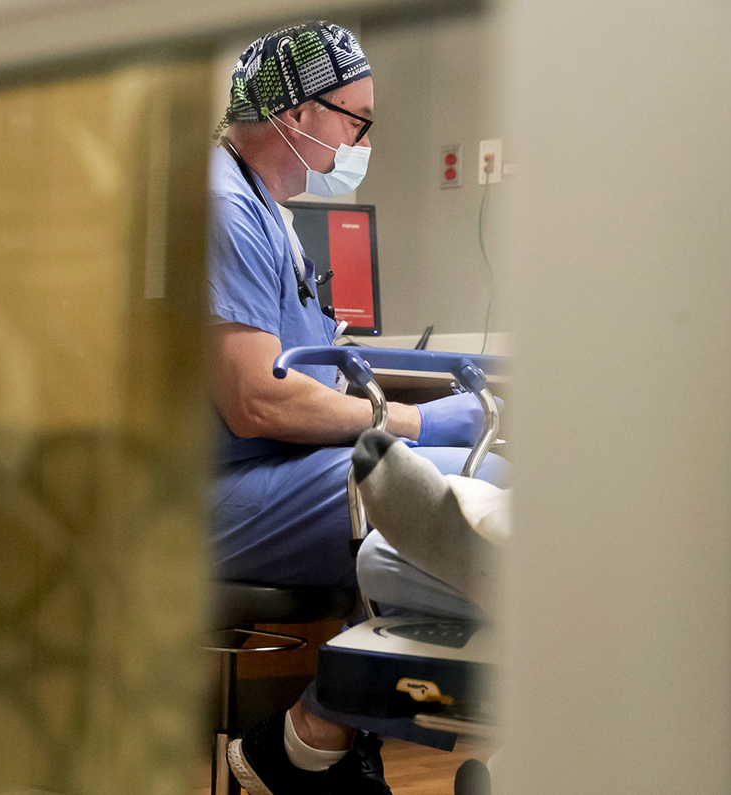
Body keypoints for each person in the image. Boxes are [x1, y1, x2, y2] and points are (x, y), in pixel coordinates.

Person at [207, 21, 509, 794]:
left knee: (486, 483)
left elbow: (312, 372)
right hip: (217, 497)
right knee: (459, 497)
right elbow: (255, 399)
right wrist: (413, 420)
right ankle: (321, 734)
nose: (360, 140)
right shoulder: (223, 207)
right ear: (299, 113)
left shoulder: (267, 210)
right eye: (356, 119)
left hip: (275, 474)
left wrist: (395, 390)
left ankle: (317, 739)